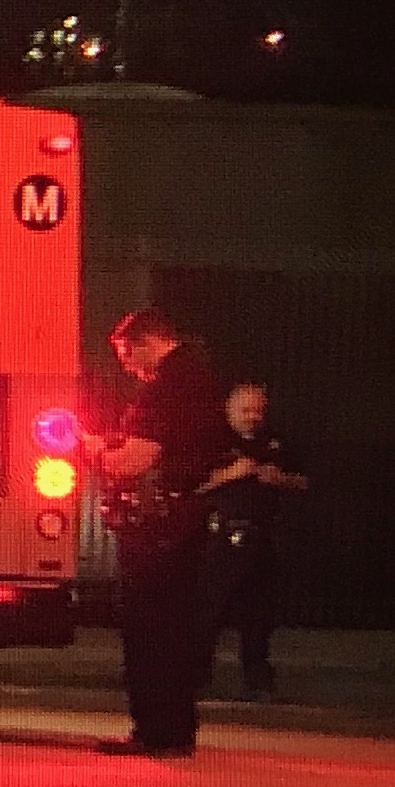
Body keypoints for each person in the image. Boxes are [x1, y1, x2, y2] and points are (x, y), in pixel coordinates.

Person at [88, 308, 230, 758]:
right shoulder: (203, 379)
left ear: (148, 341)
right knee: (178, 629)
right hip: (188, 521)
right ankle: (176, 730)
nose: (128, 366)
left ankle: (155, 731)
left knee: (149, 630)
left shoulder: (166, 390)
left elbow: (135, 461)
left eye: (127, 355)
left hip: (157, 529)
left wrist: (94, 450)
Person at [198, 381, 310, 702]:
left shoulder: (275, 443)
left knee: (258, 615)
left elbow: (303, 481)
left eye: (258, 410)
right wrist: (230, 473)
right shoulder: (213, 442)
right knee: (209, 612)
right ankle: (198, 676)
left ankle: (258, 680)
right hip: (219, 537)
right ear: (229, 410)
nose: (252, 417)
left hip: (261, 537)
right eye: (246, 410)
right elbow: (193, 484)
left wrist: (280, 480)